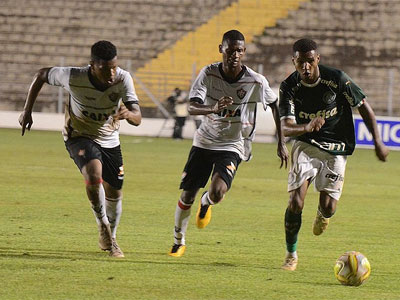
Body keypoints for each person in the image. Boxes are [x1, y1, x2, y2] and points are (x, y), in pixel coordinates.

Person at [168, 29, 289, 257]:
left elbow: (275, 105)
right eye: (231, 49)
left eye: (240, 50)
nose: (235, 54)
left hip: (233, 144)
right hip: (204, 141)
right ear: (221, 49)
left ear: (243, 52)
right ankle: (178, 240)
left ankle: (207, 202)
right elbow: (192, 106)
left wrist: (281, 142)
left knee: (217, 193)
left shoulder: (255, 80)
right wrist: (213, 108)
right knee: (187, 195)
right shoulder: (208, 74)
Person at [18, 40, 142, 258]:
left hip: (110, 139)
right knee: (94, 175)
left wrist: (128, 115)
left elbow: (137, 117)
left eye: (114, 67)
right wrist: (27, 111)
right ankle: (103, 227)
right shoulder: (74, 76)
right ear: (92, 65)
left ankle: (111, 237)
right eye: (105, 69)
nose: (111, 73)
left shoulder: (123, 79)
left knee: (115, 191)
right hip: (79, 136)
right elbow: (41, 74)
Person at [279, 38, 389, 271]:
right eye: (300, 63)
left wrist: (378, 142)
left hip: (336, 146)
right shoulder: (288, 86)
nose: (305, 67)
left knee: (329, 206)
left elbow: (363, 107)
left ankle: (323, 214)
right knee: (295, 201)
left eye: (310, 61)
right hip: (306, 143)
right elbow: (286, 126)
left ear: (317, 59)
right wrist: (307, 127)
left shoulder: (337, 79)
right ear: (294, 62)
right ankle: (291, 254)